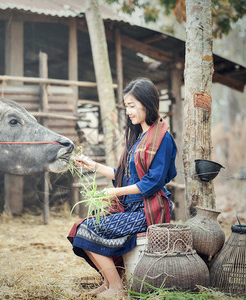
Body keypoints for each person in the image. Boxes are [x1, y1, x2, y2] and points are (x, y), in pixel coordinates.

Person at [68, 77, 177, 298]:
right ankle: (109, 283)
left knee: (87, 229)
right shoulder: (139, 138)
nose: (128, 111)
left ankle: (118, 289)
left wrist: (116, 192)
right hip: (131, 208)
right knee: (83, 228)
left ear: (147, 103)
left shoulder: (162, 138)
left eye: (132, 106)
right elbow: (123, 176)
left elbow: (153, 182)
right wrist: (93, 165)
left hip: (148, 210)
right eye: (126, 106)